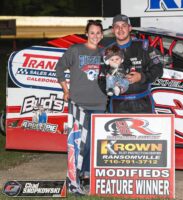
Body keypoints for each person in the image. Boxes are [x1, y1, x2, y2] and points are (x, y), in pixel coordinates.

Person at [55, 20, 106, 193]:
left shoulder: (105, 53)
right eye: (92, 32)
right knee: (78, 143)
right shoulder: (75, 50)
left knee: (92, 143)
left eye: (98, 33)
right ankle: (73, 175)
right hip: (78, 103)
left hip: (99, 104)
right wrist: (65, 90)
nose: (95, 36)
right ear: (86, 33)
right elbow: (59, 68)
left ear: (102, 35)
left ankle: (85, 175)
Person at [108, 14, 163, 113]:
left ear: (130, 28)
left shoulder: (144, 47)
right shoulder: (107, 52)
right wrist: (109, 81)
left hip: (143, 102)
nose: (120, 29)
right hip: (118, 104)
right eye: (117, 26)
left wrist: (141, 77)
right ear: (113, 30)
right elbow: (100, 78)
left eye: (124, 26)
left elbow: (158, 69)